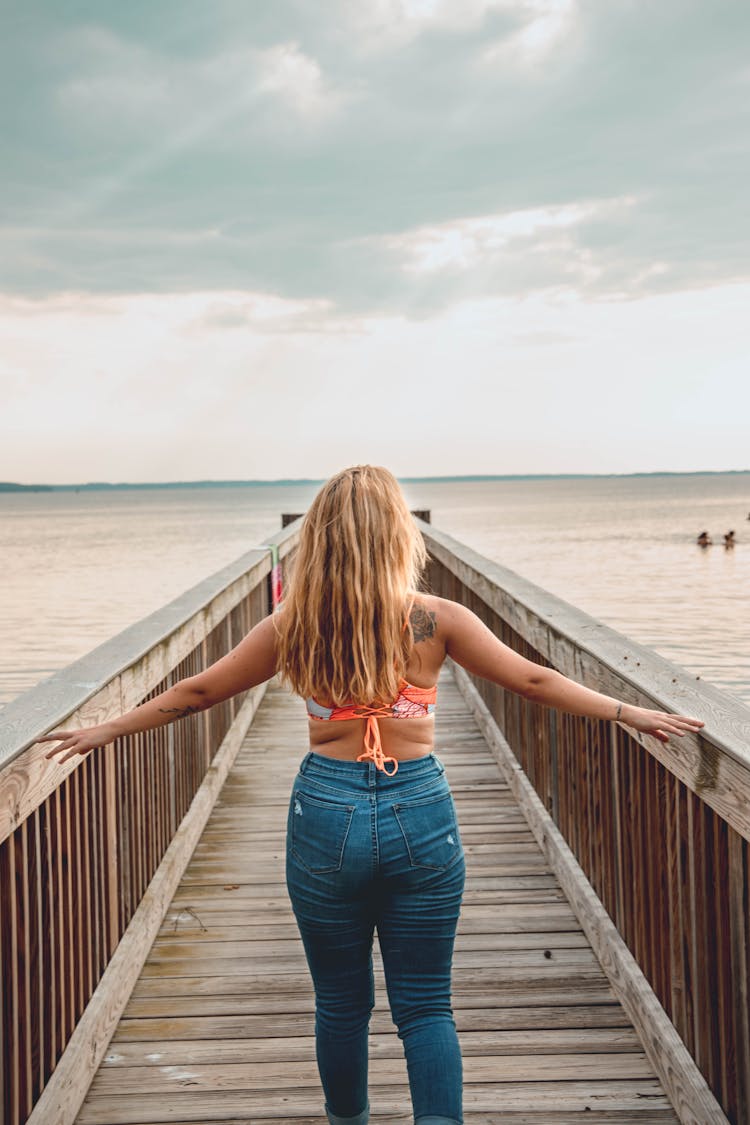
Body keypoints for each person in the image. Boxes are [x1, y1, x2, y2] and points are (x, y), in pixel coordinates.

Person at [41, 465, 704, 1125]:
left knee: (339, 1001)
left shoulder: (291, 624)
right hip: (421, 807)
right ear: (398, 534)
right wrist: (627, 711)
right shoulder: (436, 619)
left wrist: (107, 728)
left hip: (327, 813)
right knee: (426, 1005)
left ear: (321, 540)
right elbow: (531, 678)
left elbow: (198, 693)